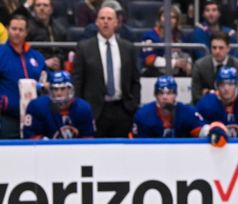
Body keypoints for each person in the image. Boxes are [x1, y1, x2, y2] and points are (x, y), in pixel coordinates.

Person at [72, 5, 140, 138]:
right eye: (102, 18)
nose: (105, 21)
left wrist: (132, 106)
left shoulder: (128, 48)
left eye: (109, 18)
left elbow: (135, 81)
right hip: (95, 111)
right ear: (96, 22)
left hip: (122, 110)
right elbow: (78, 81)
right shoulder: (84, 48)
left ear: (116, 22)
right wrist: (81, 110)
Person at [132, 74, 228, 147]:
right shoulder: (143, 115)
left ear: (175, 95)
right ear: (155, 95)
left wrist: (214, 130)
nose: (165, 97)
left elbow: (203, 130)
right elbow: (136, 145)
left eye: (169, 93)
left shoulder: (187, 112)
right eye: (161, 93)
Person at [0, 13, 46, 139]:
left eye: (21, 30)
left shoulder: (36, 57)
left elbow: (46, 77)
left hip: (34, 119)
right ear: (8, 29)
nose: (17, 33)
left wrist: (46, 84)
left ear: (26, 32)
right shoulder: (1, 54)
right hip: (7, 119)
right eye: (14, 29)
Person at [22, 70, 94, 138]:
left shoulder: (83, 109)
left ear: (70, 90)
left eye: (62, 89)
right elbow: (30, 137)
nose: (58, 93)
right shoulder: (37, 107)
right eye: (55, 89)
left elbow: (88, 138)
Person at [196, 66, 238, 138]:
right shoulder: (206, 105)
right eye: (222, 84)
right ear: (217, 86)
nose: (226, 88)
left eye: (230, 84)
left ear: (236, 86)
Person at [191, 31, 238, 104]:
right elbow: (196, 96)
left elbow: (237, 95)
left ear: (228, 48)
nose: (217, 51)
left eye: (221, 48)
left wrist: (209, 93)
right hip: (206, 109)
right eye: (214, 48)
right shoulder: (199, 65)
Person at [140, 5, 192, 77]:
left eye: (173, 17)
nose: (169, 20)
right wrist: (174, 63)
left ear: (177, 20)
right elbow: (149, 59)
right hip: (155, 73)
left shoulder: (180, 35)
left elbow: (187, 54)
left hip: (177, 73)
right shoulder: (149, 36)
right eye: (165, 16)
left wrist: (188, 63)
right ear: (159, 19)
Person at [27, 0, 66, 71]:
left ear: (51, 9)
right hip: (34, 69)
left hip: (57, 68)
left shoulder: (59, 28)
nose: (42, 8)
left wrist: (58, 60)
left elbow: (65, 51)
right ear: (33, 9)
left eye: (45, 5)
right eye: (38, 5)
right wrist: (43, 63)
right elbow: (24, 55)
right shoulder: (27, 28)